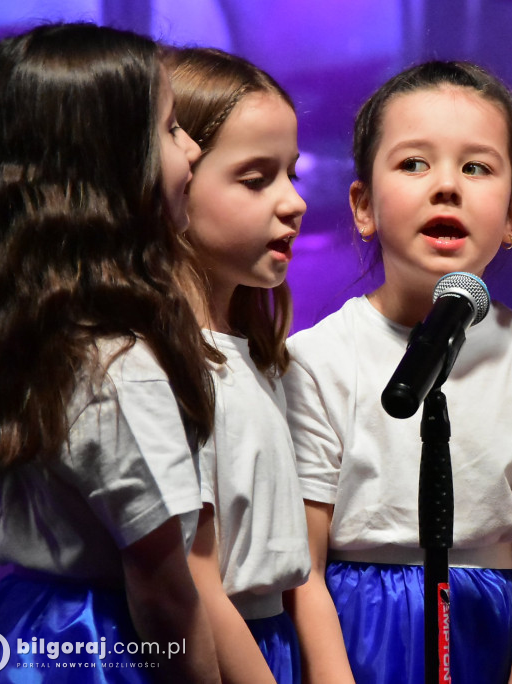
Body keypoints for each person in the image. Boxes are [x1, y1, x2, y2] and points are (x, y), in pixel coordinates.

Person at [282, 60, 512, 684]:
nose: (447, 186)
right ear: (363, 206)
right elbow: (301, 568)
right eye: (414, 163)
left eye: (476, 168)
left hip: (490, 625)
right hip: (357, 628)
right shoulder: (316, 359)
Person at [0, 23, 219, 682]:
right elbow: (164, 594)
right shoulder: (117, 371)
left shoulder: (27, 339)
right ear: (110, 168)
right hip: (101, 648)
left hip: (20, 631)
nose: (192, 148)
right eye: (170, 129)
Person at [165, 47, 311, 684]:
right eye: (256, 180)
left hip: (270, 641)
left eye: (292, 174)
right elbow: (194, 572)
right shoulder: (170, 362)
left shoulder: (259, 357)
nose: (294, 202)